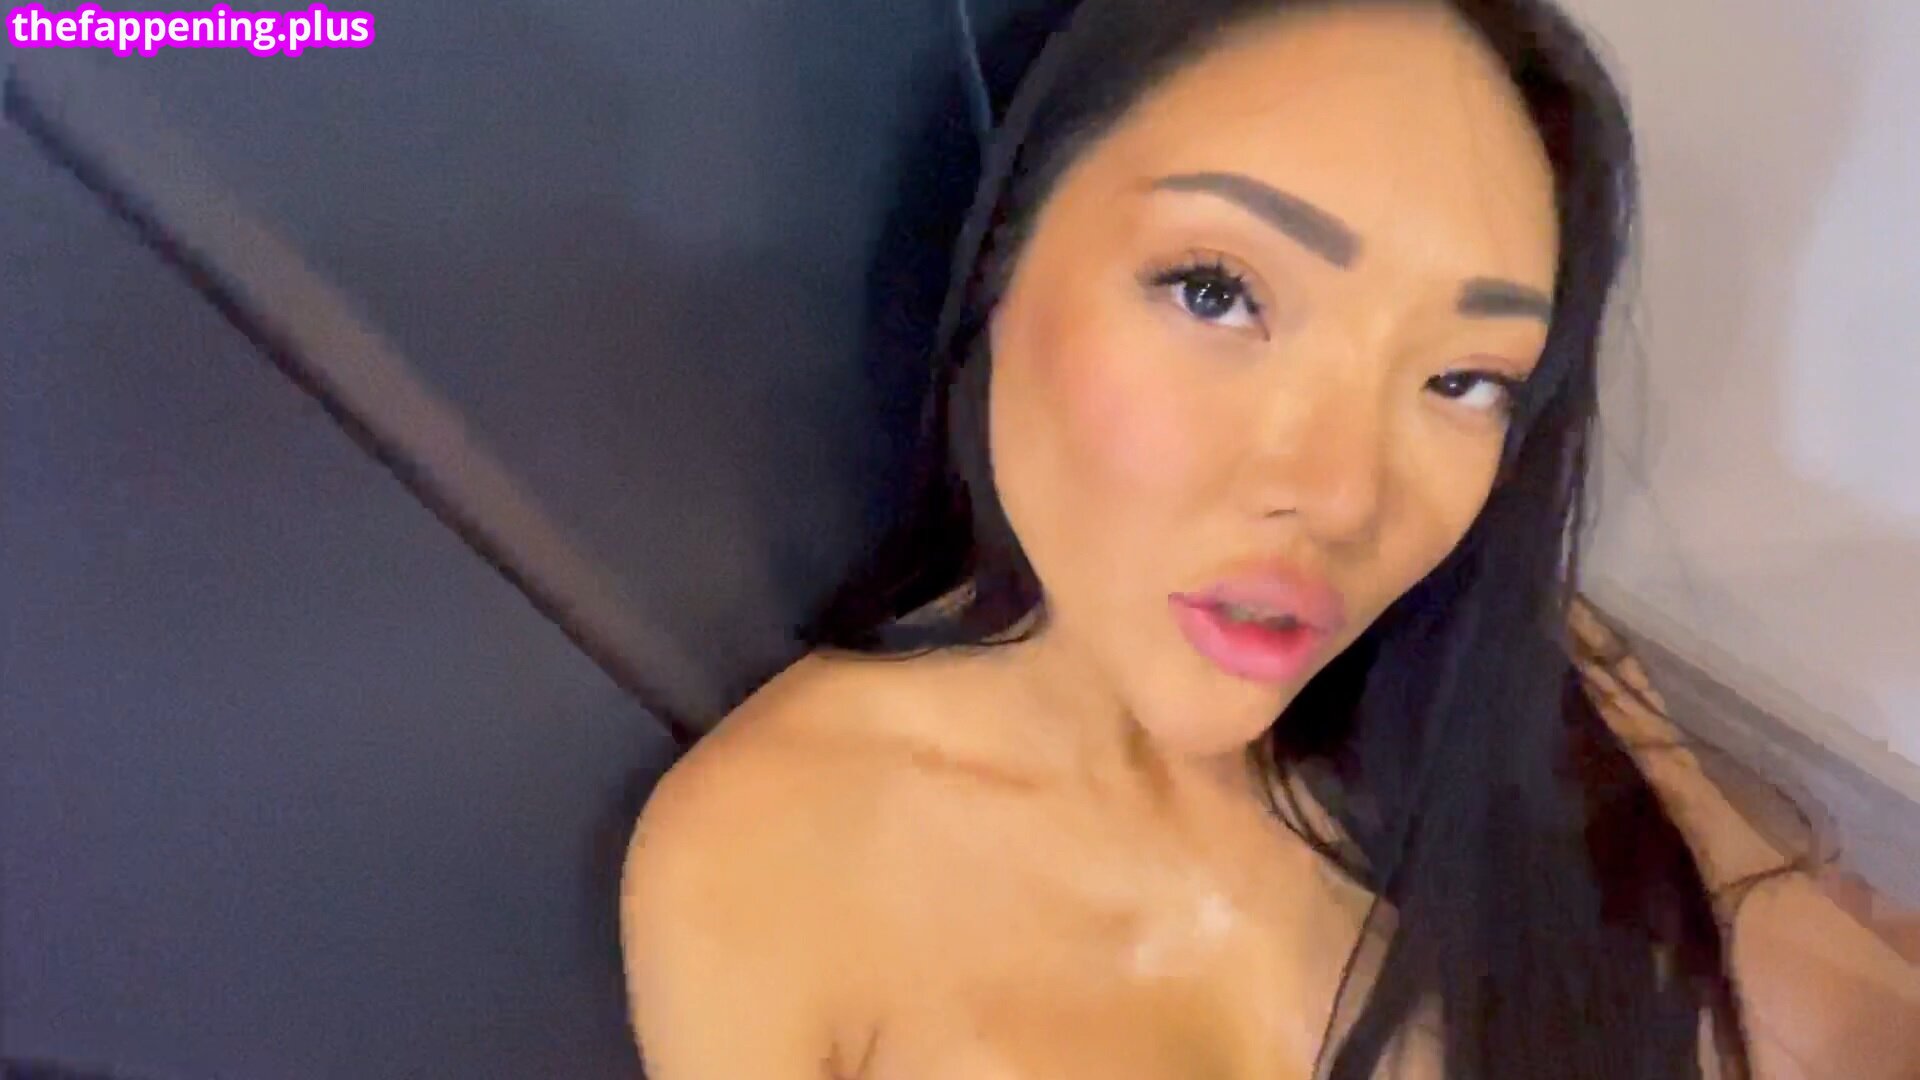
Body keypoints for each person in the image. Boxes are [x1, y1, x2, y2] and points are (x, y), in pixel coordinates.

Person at [620, 1, 1920, 1076]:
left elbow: (1831, 1003)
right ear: (1005, 258)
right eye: (1217, 291)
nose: (1346, 498)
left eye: (1464, 379)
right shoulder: (772, 867)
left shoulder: (1512, 669)